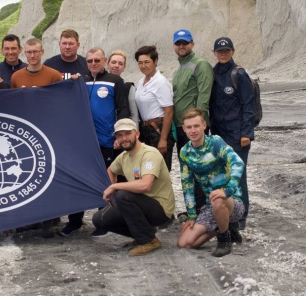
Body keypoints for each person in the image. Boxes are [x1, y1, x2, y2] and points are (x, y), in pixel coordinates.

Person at [62, 47, 130, 237]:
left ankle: (104, 222)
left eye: (97, 60)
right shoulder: (80, 81)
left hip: (106, 140)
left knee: (104, 181)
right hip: (82, 142)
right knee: (78, 180)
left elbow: (122, 109)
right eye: (90, 60)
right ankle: (74, 221)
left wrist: (120, 136)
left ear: (104, 60)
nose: (93, 64)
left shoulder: (114, 81)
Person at [92, 119, 175, 256]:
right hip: (139, 204)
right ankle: (146, 233)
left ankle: (148, 241)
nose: (124, 138)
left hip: (160, 209)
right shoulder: (124, 156)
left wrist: (114, 187)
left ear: (137, 134)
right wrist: (112, 187)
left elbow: (145, 185)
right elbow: (111, 170)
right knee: (99, 219)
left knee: (123, 195)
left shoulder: (149, 153)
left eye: (127, 133)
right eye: (119, 135)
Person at [10, 38, 62, 237]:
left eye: (36, 52)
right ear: (25, 53)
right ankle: (29, 219)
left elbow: (61, 102)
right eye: (29, 52)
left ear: (42, 52)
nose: (32, 56)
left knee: (47, 175)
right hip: (24, 134)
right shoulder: (16, 77)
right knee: (26, 174)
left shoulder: (53, 75)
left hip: (47, 132)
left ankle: (48, 220)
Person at [176, 108, 245, 257]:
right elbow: (187, 184)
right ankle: (225, 226)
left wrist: (227, 191)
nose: (193, 130)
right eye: (189, 127)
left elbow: (238, 163)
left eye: (196, 126)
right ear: (184, 129)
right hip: (210, 206)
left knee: (218, 199)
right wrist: (192, 215)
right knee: (185, 243)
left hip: (232, 202)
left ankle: (224, 241)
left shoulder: (215, 143)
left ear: (204, 126)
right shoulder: (185, 152)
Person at [210, 37, 255, 230]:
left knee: (238, 174)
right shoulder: (212, 74)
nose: (223, 54)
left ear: (233, 52)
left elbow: (249, 105)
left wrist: (246, 133)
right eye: (220, 51)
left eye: (227, 51)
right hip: (219, 134)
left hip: (238, 135)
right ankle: (228, 211)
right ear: (214, 53)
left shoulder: (239, 74)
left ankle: (242, 215)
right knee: (223, 175)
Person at [172, 29, 213, 215]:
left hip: (192, 129)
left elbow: (204, 97)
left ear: (192, 44)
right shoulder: (180, 68)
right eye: (178, 43)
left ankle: (203, 210)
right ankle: (195, 209)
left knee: (199, 170)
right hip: (182, 128)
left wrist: (198, 128)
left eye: (185, 42)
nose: (182, 46)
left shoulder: (200, 65)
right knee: (188, 170)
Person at [133, 45, 175, 171]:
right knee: (146, 169)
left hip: (158, 129)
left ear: (155, 62)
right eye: (140, 63)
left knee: (160, 170)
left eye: (147, 62)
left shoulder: (160, 82)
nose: (143, 66)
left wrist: (163, 139)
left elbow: (168, 111)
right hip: (146, 129)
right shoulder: (142, 81)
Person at [108, 50, 139, 126]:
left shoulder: (129, 87)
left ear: (124, 67)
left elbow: (134, 115)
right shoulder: (99, 84)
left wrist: (135, 135)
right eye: (113, 62)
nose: (116, 66)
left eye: (120, 64)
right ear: (107, 64)